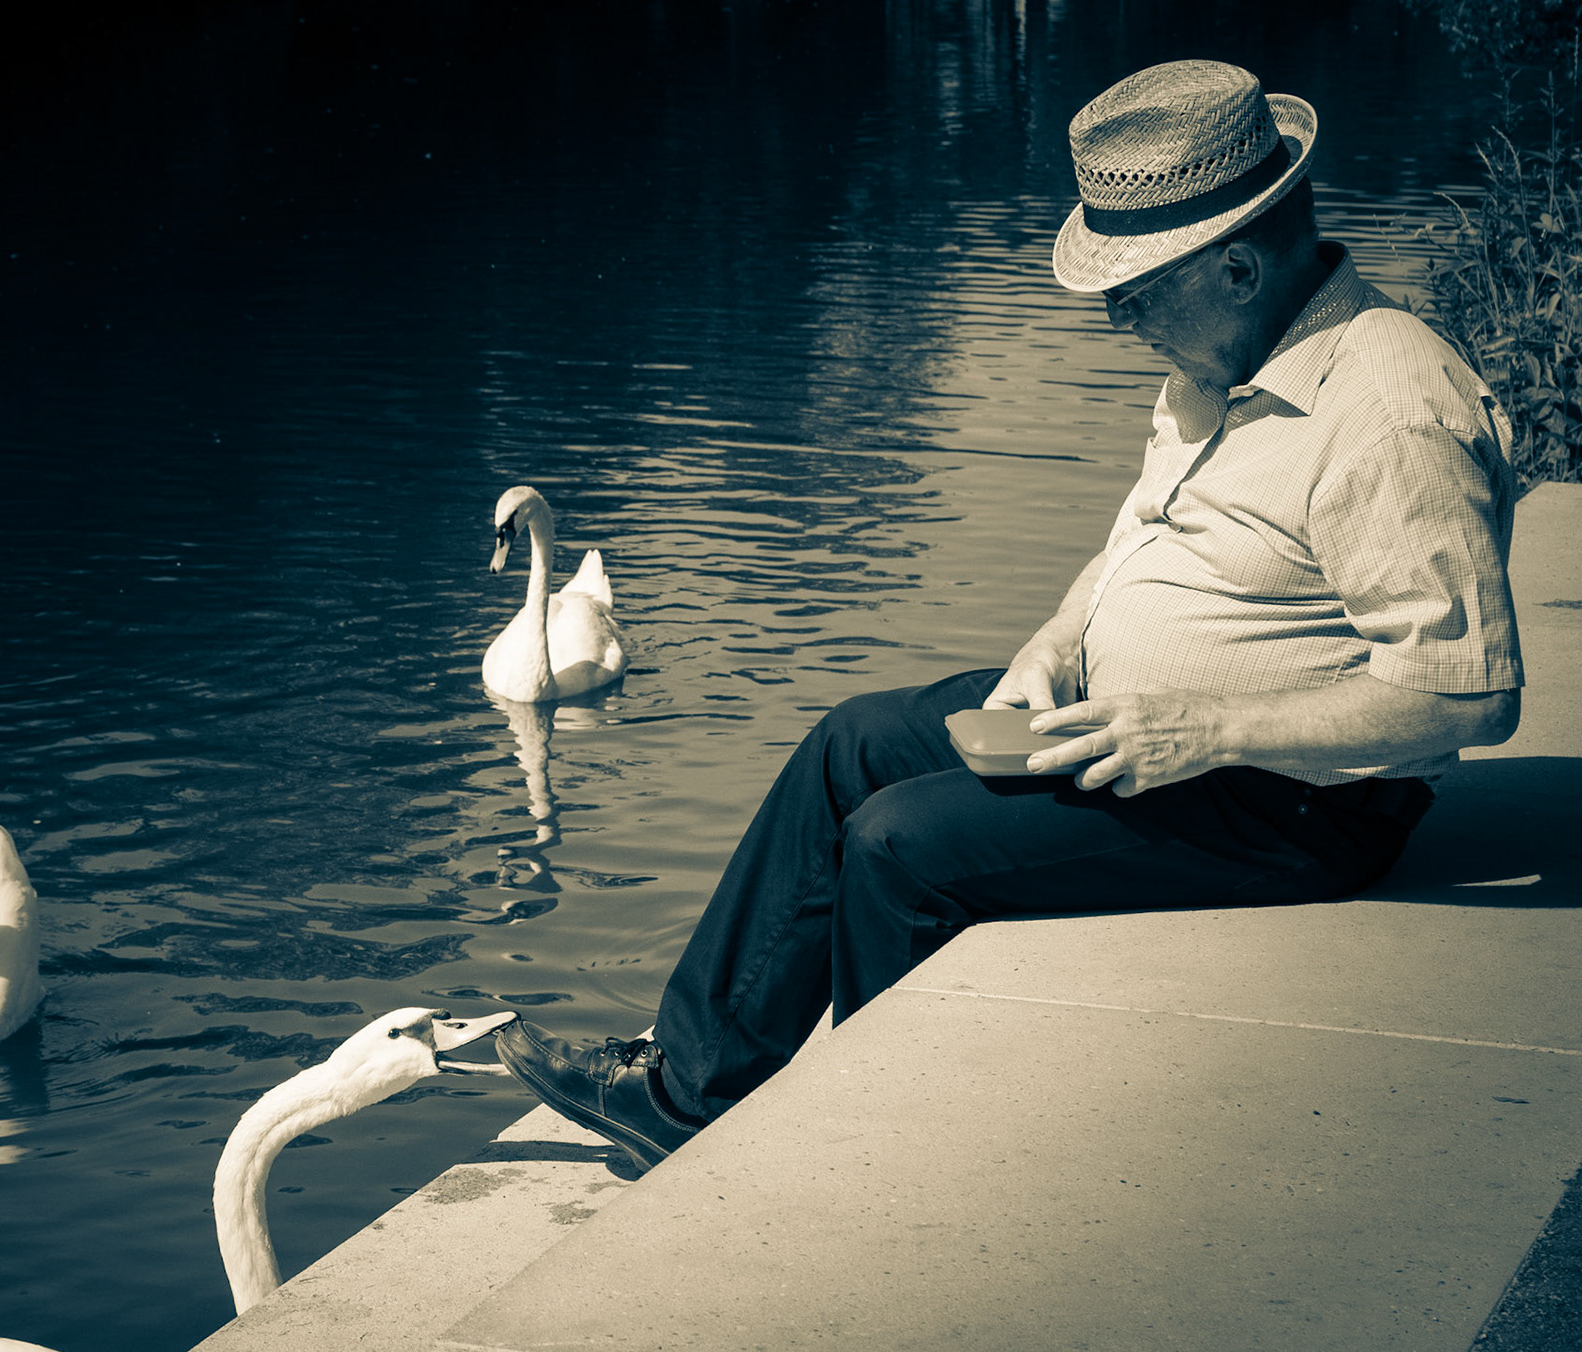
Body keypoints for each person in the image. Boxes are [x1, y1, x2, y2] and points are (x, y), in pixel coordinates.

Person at [494, 59, 1525, 1173]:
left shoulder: (1387, 412)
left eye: (1136, 289)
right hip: (1148, 732)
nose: (1118, 314)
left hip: (1292, 803)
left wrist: (1206, 731)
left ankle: (867, 1155)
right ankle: (687, 1090)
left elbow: (1464, 689)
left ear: (1235, 265)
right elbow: (1143, 542)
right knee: (851, 744)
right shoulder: (1217, 356)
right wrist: (1057, 642)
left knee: (901, 847)